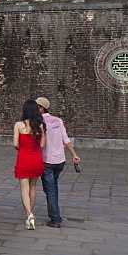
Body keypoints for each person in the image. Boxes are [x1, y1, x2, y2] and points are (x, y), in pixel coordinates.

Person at [36, 97, 81, 228]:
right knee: (53, 186)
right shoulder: (58, 120)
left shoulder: (38, 122)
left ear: (41, 108)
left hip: (46, 160)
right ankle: (55, 215)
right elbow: (65, 139)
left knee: (50, 189)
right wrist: (74, 154)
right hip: (60, 160)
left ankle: (55, 219)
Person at [13, 98, 46, 230]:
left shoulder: (19, 125)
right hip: (37, 159)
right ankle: (29, 215)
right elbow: (42, 145)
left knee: (24, 189)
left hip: (24, 158)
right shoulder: (41, 126)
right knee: (33, 188)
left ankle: (29, 215)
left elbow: (16, 144)